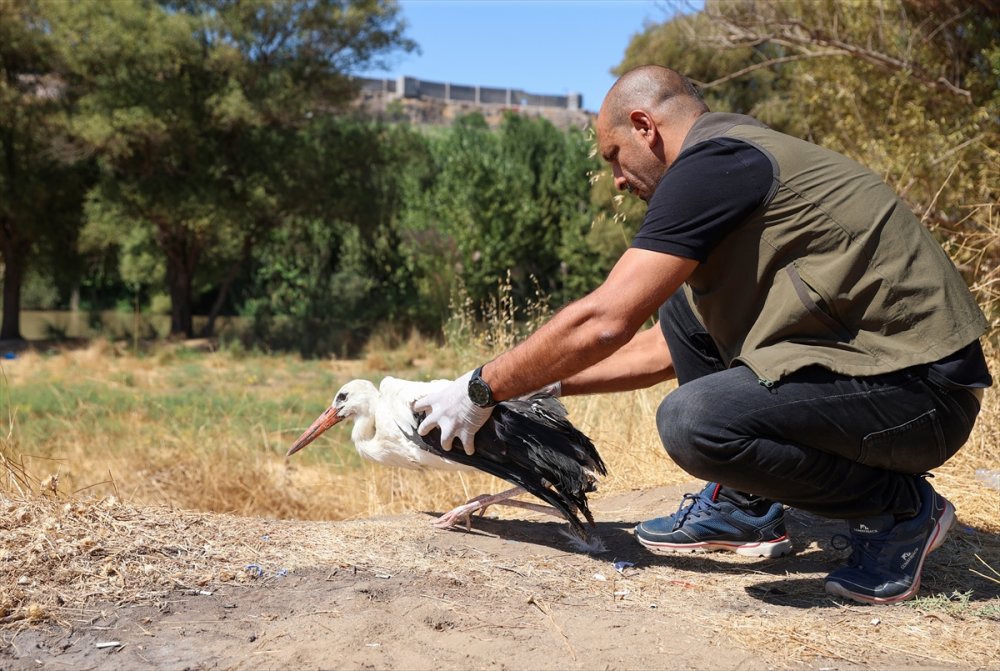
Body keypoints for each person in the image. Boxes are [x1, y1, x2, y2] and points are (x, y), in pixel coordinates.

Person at [413, 65, 992, 605]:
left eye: (615, 157)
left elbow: (604, 320)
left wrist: (481, 388)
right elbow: (664, 348)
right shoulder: (731, 158)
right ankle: (746, 506)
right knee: (680, 309)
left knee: (694, 422)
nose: (617, 180)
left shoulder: (717, 163)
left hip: (924, 395)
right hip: (885, 376)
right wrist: (537, 385)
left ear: (645, 127)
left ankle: (901, 511)